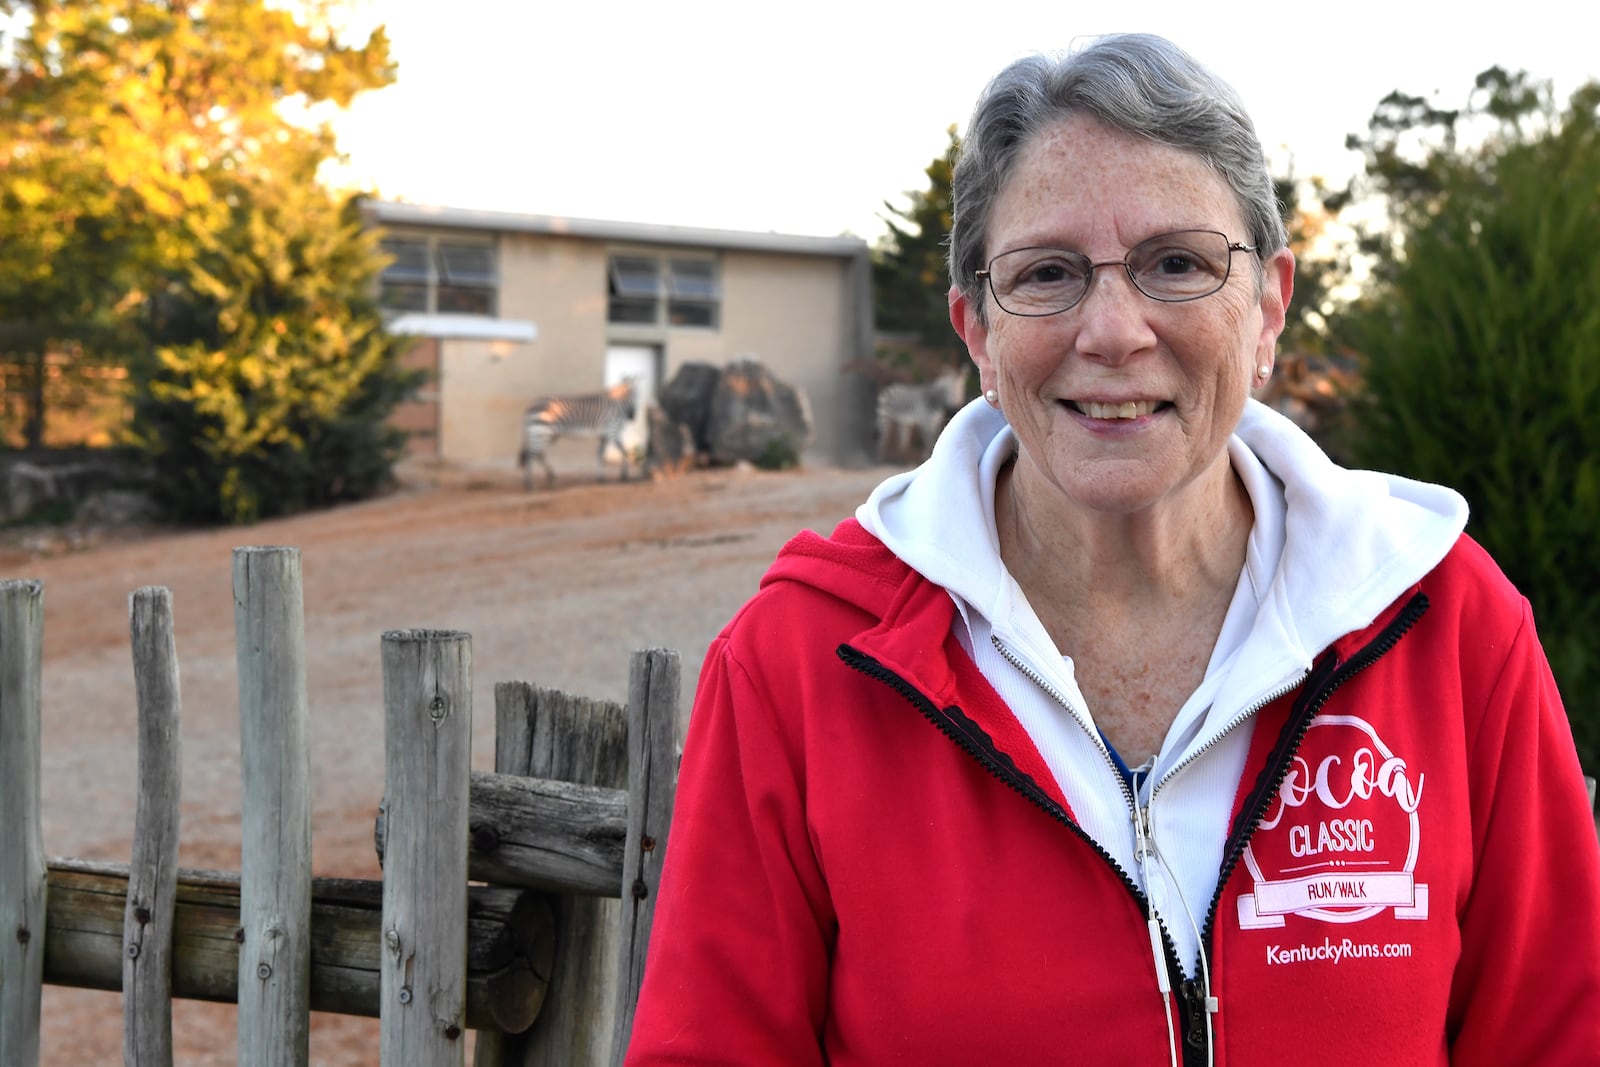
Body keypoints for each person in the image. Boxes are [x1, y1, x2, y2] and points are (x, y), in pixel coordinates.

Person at [624, 33, 1600, 1066]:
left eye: (1175, 263)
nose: (1113, 329)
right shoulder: (800, 668)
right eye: (1046, 273)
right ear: (977, 333)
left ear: (1268, 304)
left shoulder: (1449, 627)